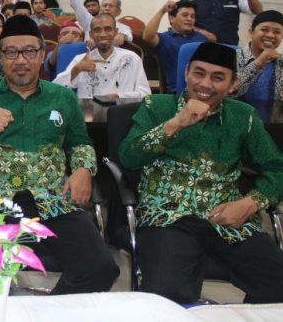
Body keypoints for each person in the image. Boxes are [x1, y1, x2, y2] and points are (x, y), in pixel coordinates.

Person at [0, 15, 119, 294]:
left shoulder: (61, 97)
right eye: (11, 52)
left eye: (29, 51)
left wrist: (83, 170)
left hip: (53, 201)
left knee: (100, 267)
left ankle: (48, 312)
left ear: (42, 54)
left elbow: (81, 143)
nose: (20, 60)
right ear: (0, 55)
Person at [119, 42, 283, 304]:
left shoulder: (243, 117)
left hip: (227, 218)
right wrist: (176, 123)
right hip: (167, 216)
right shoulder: (156, 106)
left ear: (232, 84)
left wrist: (250, 203)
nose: (205, 84)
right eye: (199, 73)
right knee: (168, 295)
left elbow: (276, 167)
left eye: (218, 77)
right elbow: (129, 157)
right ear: (186, 73)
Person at [54, 14, 150, 99]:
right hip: (88, 115)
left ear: (115, 32)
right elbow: (55, 89)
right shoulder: (80, 60)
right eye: (97, 30)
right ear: (91, 34)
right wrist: (77, 69)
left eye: (107, 29)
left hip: (122, 114)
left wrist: (119, 96)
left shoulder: (132, 58)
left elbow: (145, 94)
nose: (103, 34)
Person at [142, 0, 211, 94]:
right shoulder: (164, 38)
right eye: (185, 15)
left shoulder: (202, 38)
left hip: (204, 88)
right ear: (172, 18)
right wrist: (162, 11)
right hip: (178, 92)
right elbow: (147, 36)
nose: (190, 19)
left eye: (192, 16)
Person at [60, 0, 133, 45]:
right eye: (105, 5)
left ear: (119, 12)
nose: (107, 8)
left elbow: (129, 37)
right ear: (100, 9)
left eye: (111, 6)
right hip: (88, 55)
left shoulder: (123, 27)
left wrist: (122, 35)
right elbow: (77, 5)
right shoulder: (89, 21)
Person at [235, 10, 283, 101]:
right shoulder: (233, 57)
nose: (271, 35)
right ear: (251, 32)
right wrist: (258, 63)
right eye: (264, 29)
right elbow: (229, 92)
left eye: (277, 32)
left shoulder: (281, 62)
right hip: (239, 115)